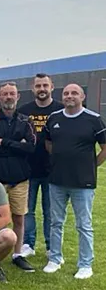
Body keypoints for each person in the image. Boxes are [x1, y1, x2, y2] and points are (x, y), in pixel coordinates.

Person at [42, 84, 105, 279]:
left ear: (82, 96)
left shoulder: (94, 120)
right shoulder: (54, 118)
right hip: (57, 180)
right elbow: (48, 143)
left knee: (83, 224)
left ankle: (85, 264)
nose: (70, 96)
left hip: (83, 183)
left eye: (74, 93)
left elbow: (104, 148)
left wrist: (89, 166)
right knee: (55, 222)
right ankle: (55, 258)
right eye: (66, 93)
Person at [0, 82, 36, 272]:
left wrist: (3, 142)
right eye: (4, 94)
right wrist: (16, 145)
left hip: (19, 179)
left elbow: (30, 147)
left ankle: (17, 254)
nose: (8, 97)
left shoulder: (25, 121)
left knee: (19, 217)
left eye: (11, 94)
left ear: (18, 96)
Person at [17, 73, 64, 258]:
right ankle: (28, 243)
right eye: (38, 86)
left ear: (52, 87)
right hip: (28, 169)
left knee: (50, 212)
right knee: (27, 210)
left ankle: (50, 245)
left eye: (45, 85)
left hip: (53, 170)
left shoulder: (60, 110)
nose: (42, 89)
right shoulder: (24, 111)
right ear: (32, 88)